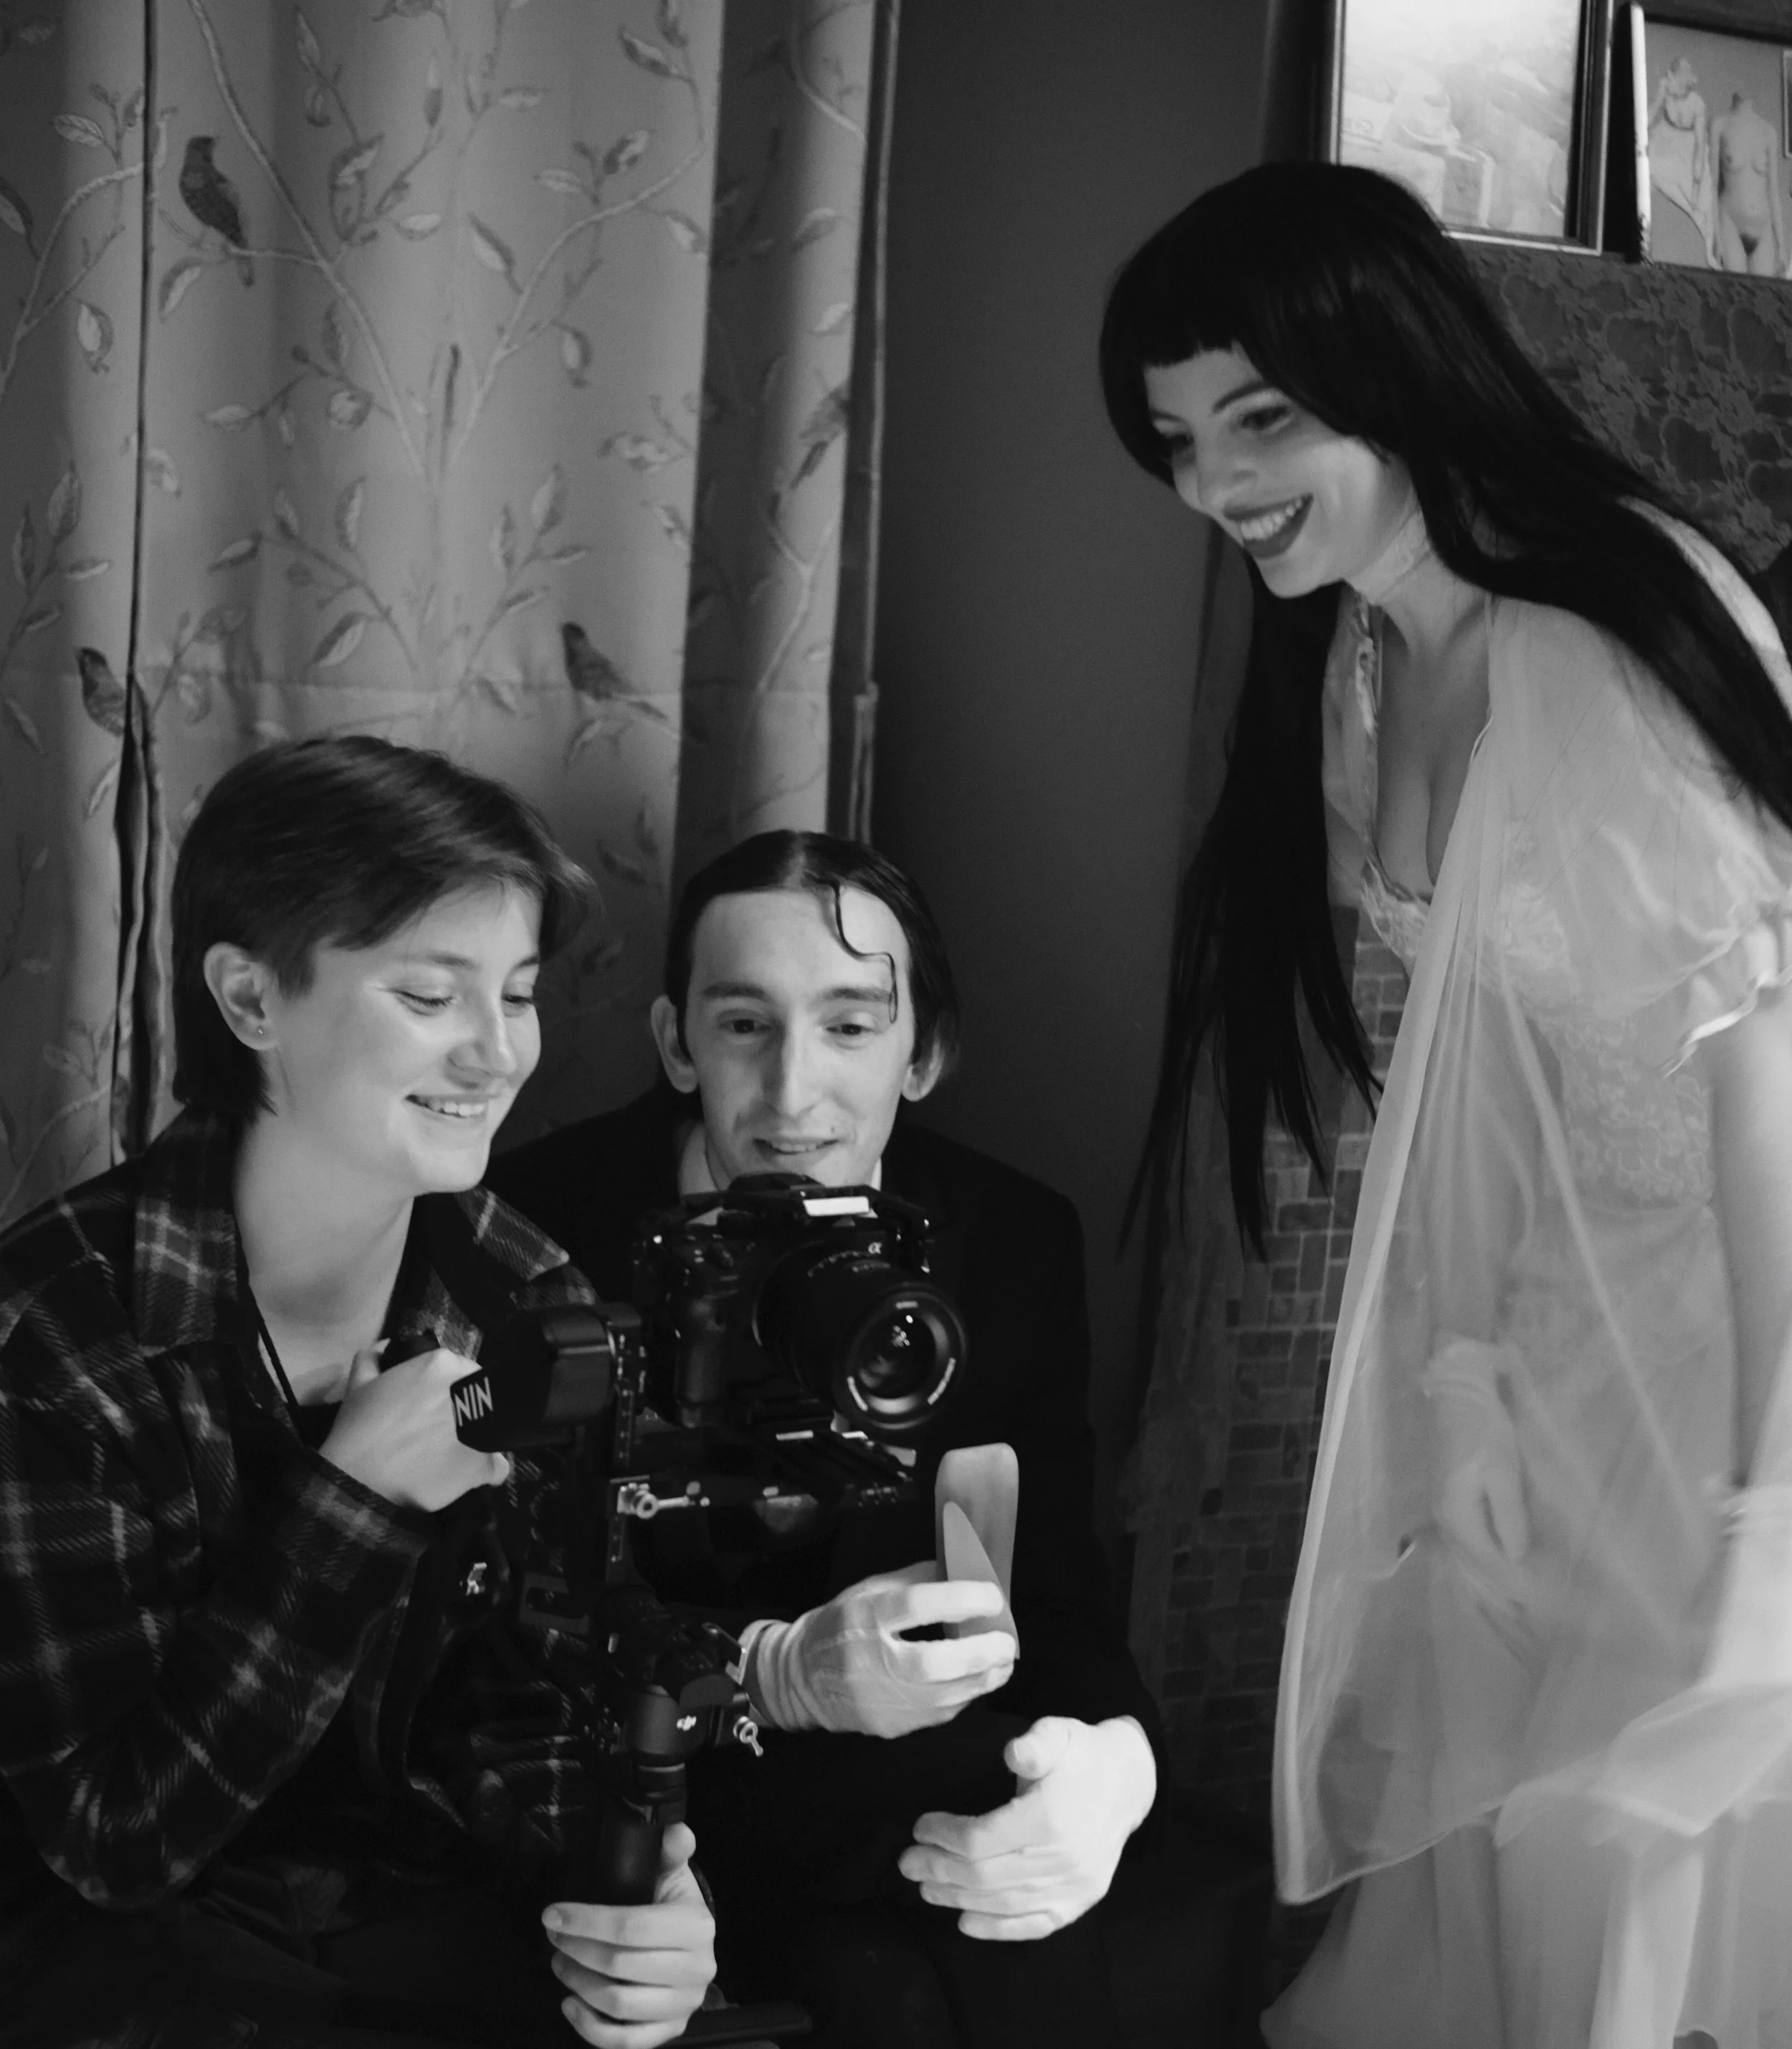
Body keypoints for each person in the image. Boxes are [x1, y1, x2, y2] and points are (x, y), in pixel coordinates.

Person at [1100, 161, 1792, 2048]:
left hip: (1746, 1316)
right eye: (1175, 440)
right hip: (1575, 1316)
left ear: (1390, 369)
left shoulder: (1591, 641)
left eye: (1260, 418)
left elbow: (1764, 1080)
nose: (1214, 484)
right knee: (1483, 1830)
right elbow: (1471, 1067)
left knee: (1642, 1848)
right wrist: (1469, 1363)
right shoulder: (1360, 655)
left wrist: (1770, 1510)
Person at [0, 736, 716, 2049]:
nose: (497, 1054)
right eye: (430, 996)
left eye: (518, 994)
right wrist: (352, 1501)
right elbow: (112, 1842)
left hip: (399, 1901)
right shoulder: (51, 1337)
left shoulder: (525, 1289)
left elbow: (535, 1694)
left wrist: (635, 1893)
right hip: (108, 1948)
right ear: (251, 999)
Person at [488, 830, 1165, 2049]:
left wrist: (1120, 1766)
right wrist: (778, 1673)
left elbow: (1057, 1597)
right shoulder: (533, 1225)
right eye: (745, 1024)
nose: (793, 1092)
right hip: (629, 1770)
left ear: (925, 1052)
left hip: (888, 1800)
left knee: (925, 1955)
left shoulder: (1009, 1239)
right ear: (675, 1042)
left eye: (851, 1025)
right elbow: (502, 1621)